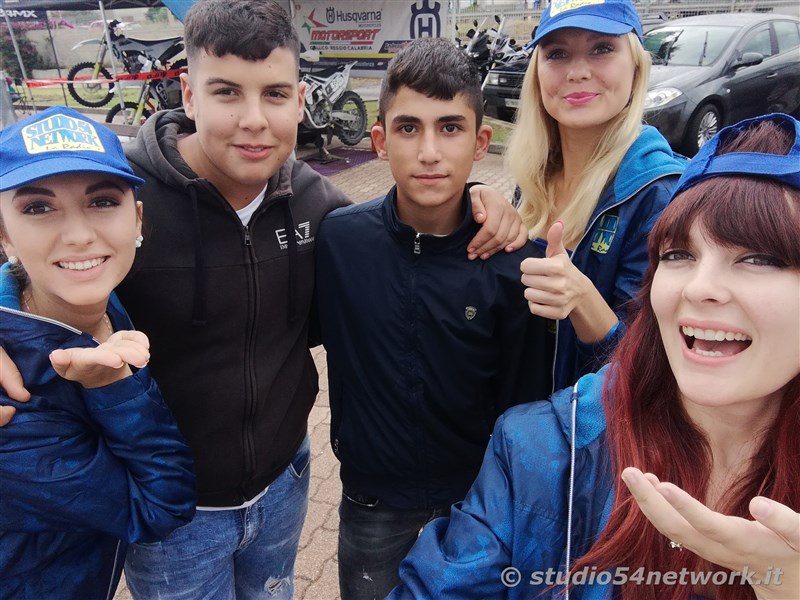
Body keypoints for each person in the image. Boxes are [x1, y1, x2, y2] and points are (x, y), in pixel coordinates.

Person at [0, 2, 525, 599]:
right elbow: (45, 260)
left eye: (274, 94)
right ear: (188, 94)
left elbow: (410, 215)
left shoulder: (321, 207)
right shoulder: (123, 197)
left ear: (299, 100)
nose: (253, 119)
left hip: (285, 485)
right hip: (176, 514)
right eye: (226, 92)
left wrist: (478, 196)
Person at [387, 112, 800, 600]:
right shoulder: (543, 450)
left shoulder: (644, 182)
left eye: (758, 258)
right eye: (677, 255)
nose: (700, 287)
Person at [315, 37, 553, 600]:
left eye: (450, 127)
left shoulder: (514, 263)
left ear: (480, 142)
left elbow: (526, 398)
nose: (429, 151)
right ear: (378, 141)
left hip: (479, 502)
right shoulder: (339, 241)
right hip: (373, 502)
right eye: (407, 128)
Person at [0, 106, 196, 599]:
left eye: (103, 200)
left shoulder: (94, 300)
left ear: (138, 218)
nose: (80, 235)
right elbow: (158, 505)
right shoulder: (11, 397)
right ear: (4, 233)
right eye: (38, 207)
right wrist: (111, 385)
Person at [506, 0, 687, 391]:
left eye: (601, 48)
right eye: (557, 53)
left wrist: (582, 299)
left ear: (636, 65)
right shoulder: (530, 180)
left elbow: (658, 372)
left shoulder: (661, 196)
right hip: (519, 434)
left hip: (590, 443)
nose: (577, 72)